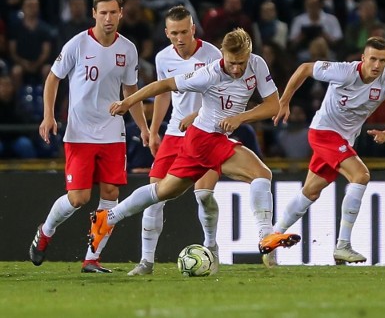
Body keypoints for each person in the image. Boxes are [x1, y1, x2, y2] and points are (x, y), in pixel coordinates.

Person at [88, 28, 300, 268]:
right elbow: (164, 85)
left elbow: (273, 106)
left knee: (163, 191)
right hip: (206, 138)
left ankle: (107, 218)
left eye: (241, 62)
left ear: (249, 54)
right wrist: (128, 102)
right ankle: (265, 236)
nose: (237, 69)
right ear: (223, 55)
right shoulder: (209, 74)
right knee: (261, 174)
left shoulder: (258, 65)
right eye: (231, 63)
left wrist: (241, 118)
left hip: (202, 139)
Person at [30, 0, 149, 273]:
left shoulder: (128, 49)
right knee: (79, 198)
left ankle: (91, 259)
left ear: (121, 14)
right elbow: (52, 79)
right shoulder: (77, 44)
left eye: (113, 12)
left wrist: (144, 128)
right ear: (94, 14)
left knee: (110, 194)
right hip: (80, 132)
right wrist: (48, 116)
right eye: (103, 12)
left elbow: (130, 91)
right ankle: (45, 231)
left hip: (112, 132)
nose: (108, 18)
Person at [272, 37, 385, 264]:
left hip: (343, 140)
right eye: (373, 59)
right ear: (363, 58)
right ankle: (343, 245)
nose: (377, 65)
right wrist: (284, 101)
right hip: (323, 132)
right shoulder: (343, 72)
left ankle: (271, 238)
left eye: (383, 60)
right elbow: (304, 69)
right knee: (361, 175)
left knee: (310, 191)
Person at [127, 5, 223, 276]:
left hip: (206, 132)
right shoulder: (163, 58)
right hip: (174, 135)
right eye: (175, 33)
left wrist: (197, 114)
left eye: (185, 31)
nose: (180, 38)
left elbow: (222, 94)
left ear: (193, 29)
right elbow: (163, 93)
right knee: (154, 197)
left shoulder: (213, 55)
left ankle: (211, 246)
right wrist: (154, 129)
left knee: (204, 195)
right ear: (167, 33)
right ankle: (146, 261)